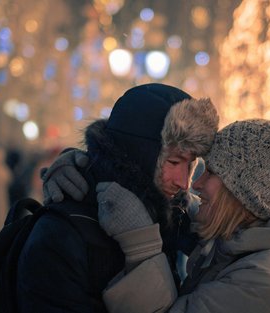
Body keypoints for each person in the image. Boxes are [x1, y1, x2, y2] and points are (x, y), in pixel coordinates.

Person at [92, 116, 270, 313]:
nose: (195, 184)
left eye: (210, 172)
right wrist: (90, 167)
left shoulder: (265, 280)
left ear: (242, 193)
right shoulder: (243, 247)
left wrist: (140, 242)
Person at [16, 83, 219, 312]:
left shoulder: (168, 215)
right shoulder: (62, 234)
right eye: (173, 162)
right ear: (139, 153)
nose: (184, 182)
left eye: (190, 164)